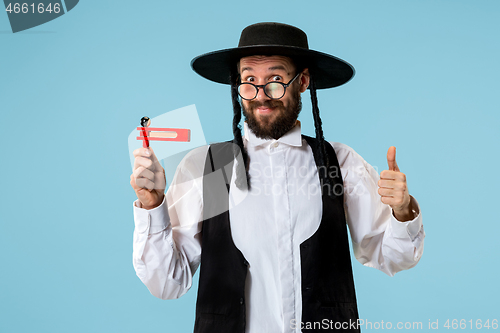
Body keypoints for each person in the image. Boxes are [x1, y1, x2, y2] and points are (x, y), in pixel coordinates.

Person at [130, 22, 425, 333]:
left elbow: (392, 256)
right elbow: (167, 284)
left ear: (303, 82)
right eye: (249, 80)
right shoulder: (212, 167)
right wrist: (152, 207)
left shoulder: (338, 163)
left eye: (275, 79)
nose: (261, 95)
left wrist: (403, 211)